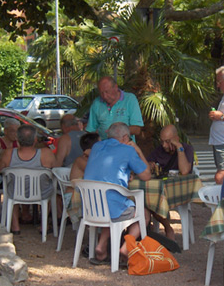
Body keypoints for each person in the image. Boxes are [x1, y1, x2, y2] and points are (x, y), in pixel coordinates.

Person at [83, 122, 151, 264]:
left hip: (91, 208)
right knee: (143, 214)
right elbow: (146, 175)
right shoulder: (128, 150)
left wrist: (125, 175)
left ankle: (101, 246)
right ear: (126, 137)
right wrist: (137, 150)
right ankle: (125, 248)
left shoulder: (96, 147)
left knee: (111, 204)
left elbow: (106, 171)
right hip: (112, 208)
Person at [0, 125, 57, 234]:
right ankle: (44, 225)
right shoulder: (45, 153)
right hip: (41, 193)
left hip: (16, 193)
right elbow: (55, 169)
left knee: (11, 190)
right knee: (49, 188)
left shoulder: (9, 153)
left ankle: (15, 227)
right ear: (35, 140)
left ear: (17, 139)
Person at [146, 124, 195, 240]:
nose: (164, 145)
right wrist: (150, 165)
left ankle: (164, 229)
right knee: (147, 198)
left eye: (168, 142)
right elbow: (145, 167)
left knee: (152, 198)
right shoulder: (159, 150)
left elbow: (184, 171)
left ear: (176, 139)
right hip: (160, 190)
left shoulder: (186, 149)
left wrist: (179, 147)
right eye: (162, 141)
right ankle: (167, 227)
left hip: (179, 191)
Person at [85, 76, 144, 141]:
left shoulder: (130, 99)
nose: (104, 96)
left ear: (116, 87)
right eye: (101, 93)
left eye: (107, 92)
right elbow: (91, 129)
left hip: (125, 147)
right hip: (104, 147)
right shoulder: (97, 103)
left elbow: (137, 130)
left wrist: (115, 132)